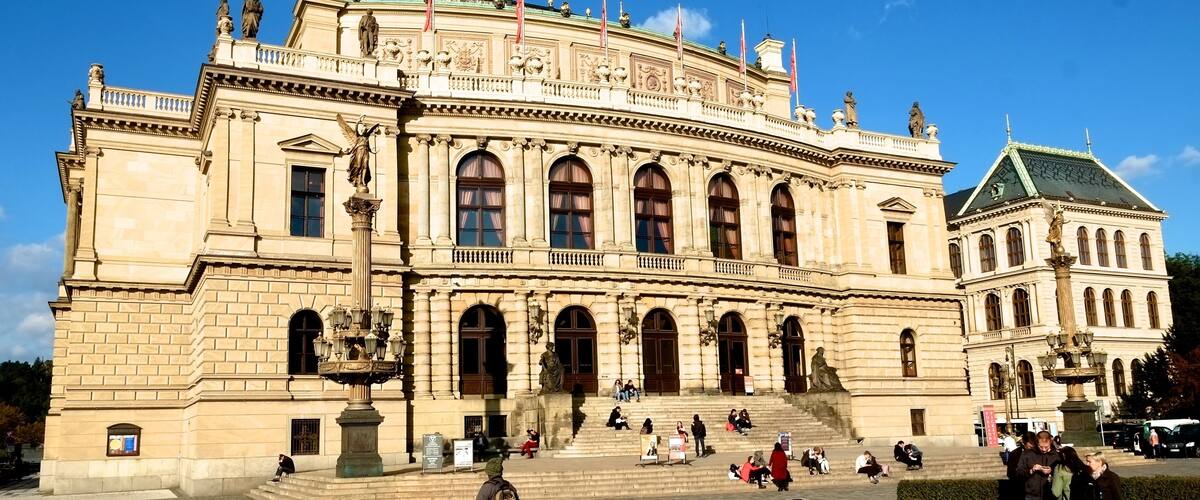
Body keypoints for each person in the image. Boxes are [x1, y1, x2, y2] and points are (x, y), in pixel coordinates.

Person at [1015, 430, 1060, 500]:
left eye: (1046, 447)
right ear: (1036, 442)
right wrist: (1031, 471)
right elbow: (1018, 473)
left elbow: (1062, 472)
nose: (1044, 449)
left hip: (1050, 494)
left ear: (1050, 442)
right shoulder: (1027, 454)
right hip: (1031, 495)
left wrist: (1052, 470)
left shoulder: (1056, 455)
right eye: (1041, 447)